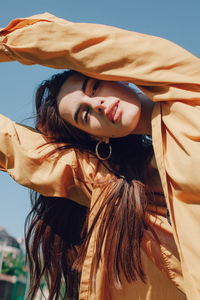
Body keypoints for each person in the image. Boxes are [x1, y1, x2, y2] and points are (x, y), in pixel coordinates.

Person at [0, 12, 200, 300]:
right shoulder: (117, 189)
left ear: (110, 73)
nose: (98, 105)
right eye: (84, 114)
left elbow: (91, 45)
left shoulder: (188, 90)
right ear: (98, 138)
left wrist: (5, 44)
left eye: (94, 87)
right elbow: (19, 148)